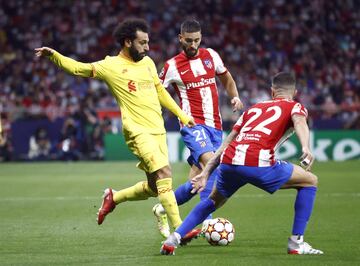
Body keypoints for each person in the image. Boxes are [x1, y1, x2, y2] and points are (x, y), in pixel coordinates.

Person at [35, 18, 200, 241]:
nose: (147, 48)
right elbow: (79, 69)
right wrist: (54, 55)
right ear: (127, 42)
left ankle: (114, 197)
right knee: (165, 174)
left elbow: (160, 92)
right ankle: (181, 230)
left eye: (148, 42)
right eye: (142, 43)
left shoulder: (148, 63)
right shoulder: (110, 66)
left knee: (155, 187)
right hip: (137, 131)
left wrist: (181, 114)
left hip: (157, 130)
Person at [160, 72, 324, 255]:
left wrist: (205, 174)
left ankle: (173, 239)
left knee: (212, 201)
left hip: (229, 162)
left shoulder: (253, 109)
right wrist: (306, 147)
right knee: (310, 181)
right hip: (258, 163)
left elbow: (226, 143)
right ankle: (296, 243)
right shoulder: (295, 106)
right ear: (294, 92)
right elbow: (300, 121)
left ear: (272, 92)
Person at [152, 19, 243, 238]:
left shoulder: (211, 56)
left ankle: (163, 208)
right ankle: (208, 225)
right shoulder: (171, 66)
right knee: (211, 166)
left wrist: (235, 97)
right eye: (189, 40)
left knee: (197, 181)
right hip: (192, 126)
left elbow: (227, 78)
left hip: (215, 127)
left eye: (197, 40)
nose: (193, 45)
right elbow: (156, 92)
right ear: (180, 39)